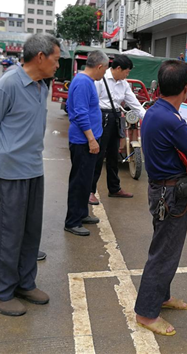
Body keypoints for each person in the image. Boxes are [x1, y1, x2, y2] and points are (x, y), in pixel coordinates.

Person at [0, 34, 61, 317]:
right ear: (40, 57)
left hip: (34, 169)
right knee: (8, 235)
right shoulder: (7, 85)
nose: (58, 65)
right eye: (56, 59)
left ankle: (24, 283)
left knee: (30, 232)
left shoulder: (41, 86)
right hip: (9, 172)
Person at [134, 60, 187, 336]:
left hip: (160, 190)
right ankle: (146, 313)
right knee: (164, 254)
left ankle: (161, 297)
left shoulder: (155, 111)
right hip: (171, 195)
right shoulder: (172, 120)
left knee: (164, 248)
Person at [65, 50, 110, 236]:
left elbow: (70, 106)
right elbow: (80, 113)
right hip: (84, 141)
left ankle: (81, 214)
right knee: (80, 181)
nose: (105, 74)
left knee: (86, 180)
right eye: (105, 69)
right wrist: (91, 139)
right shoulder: (83, 82)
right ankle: (72, 221)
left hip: (88, 139)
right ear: (99, 66)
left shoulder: (85, 81)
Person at [91, 55, 145, 202]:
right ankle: (90, 190)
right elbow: (93, 102)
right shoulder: (101, 79)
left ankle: (114, 188)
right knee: (98, 155)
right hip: (102, 117)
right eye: (126, 72)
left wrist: (146, 117)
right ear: (118, 69)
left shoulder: (123, 83)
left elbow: (133, 102)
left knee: (114, 155)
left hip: (116, 117)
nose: (127, 75)